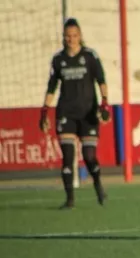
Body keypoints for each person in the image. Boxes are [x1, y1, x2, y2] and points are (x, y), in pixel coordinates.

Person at [39, 18, 110, 209]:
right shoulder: (58, 60)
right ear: (64, 37)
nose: (71, 39)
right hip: (66, 113)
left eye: (75, 35)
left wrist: (104, 104)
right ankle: (70, 199)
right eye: (68, 36)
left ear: (80, 36)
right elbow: (52, 87)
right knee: (68, 157)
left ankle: (98, 185)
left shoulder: (90, 56)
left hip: (88, 114)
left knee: (89, 156)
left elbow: (101, 81)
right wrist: (44, 112)